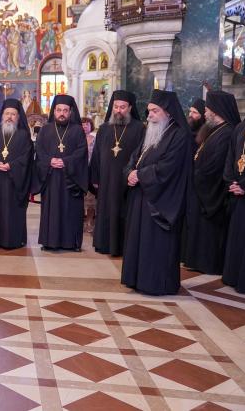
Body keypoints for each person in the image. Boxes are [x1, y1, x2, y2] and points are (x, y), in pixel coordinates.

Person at [122, 89, 191, 295]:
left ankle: (156, 283)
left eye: (154, 111)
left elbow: (169, 168)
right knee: (138, 241)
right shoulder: (150, 131)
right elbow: (135, 157)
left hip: (160, 202)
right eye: (149, 111)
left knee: (156, 244)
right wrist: (130, 173)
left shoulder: (179, 135)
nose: (149, 115)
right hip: (141, 197)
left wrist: (140, 175)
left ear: (168, 112)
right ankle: (137, 279)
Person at [183, 91, 241, 275]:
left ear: (217, 111)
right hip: (200, 188)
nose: (205, 113)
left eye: (207, 110)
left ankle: (208, 263)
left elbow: (216, 166)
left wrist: (196, 175)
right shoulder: (213, 130)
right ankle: (197, 260)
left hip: (212, 191)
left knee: (209, 232)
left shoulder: (227, 133)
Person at [89, 90, 144, 256]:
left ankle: (122, 246)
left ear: (130, 108)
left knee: (124, 212)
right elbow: (96, 155)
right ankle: (104, 244)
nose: (118, 110)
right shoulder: (105, 128)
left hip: (126, 181)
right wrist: (95, 177)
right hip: (106, 180)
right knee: (105, 211)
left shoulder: (139, 128)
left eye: (122, 107)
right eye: (116, 107)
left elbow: (142, 154)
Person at [32, 95, 88, 251]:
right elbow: (39, 150)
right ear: (54, 111)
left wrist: (66, 161)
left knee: (71, 211)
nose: (61, 113)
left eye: (65, 110)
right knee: (51, 211)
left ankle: (72, 243)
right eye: (58, 110)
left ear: (70, 112)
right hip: (51, 178)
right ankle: (49, 242)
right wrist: (49, 160)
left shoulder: (77, 130)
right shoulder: (45, 130)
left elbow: (81, 151)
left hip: (71, 179)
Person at [0, 99, 33, 249]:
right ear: (2, 115)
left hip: (14, 182)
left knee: (13, 211)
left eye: (13, 114)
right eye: (7, 113)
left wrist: (12, 165)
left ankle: (14, 239)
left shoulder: (24, 135)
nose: (9, 117)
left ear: (18, 117)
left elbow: (27, 156)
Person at [222, 112, 245, 293]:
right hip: (237, 191)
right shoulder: (240, 127)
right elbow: (230, 157)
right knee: (238, 236)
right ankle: (233, 275)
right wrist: (231, 181)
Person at [82, 117, 96, 233]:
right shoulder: (76, 139)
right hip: (79, 173)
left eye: (87, 124)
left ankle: (90, 221)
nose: (85, 126)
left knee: (91, 199)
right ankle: (80, 221)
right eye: (82, 124)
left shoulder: (96, 140)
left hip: (91, 172)